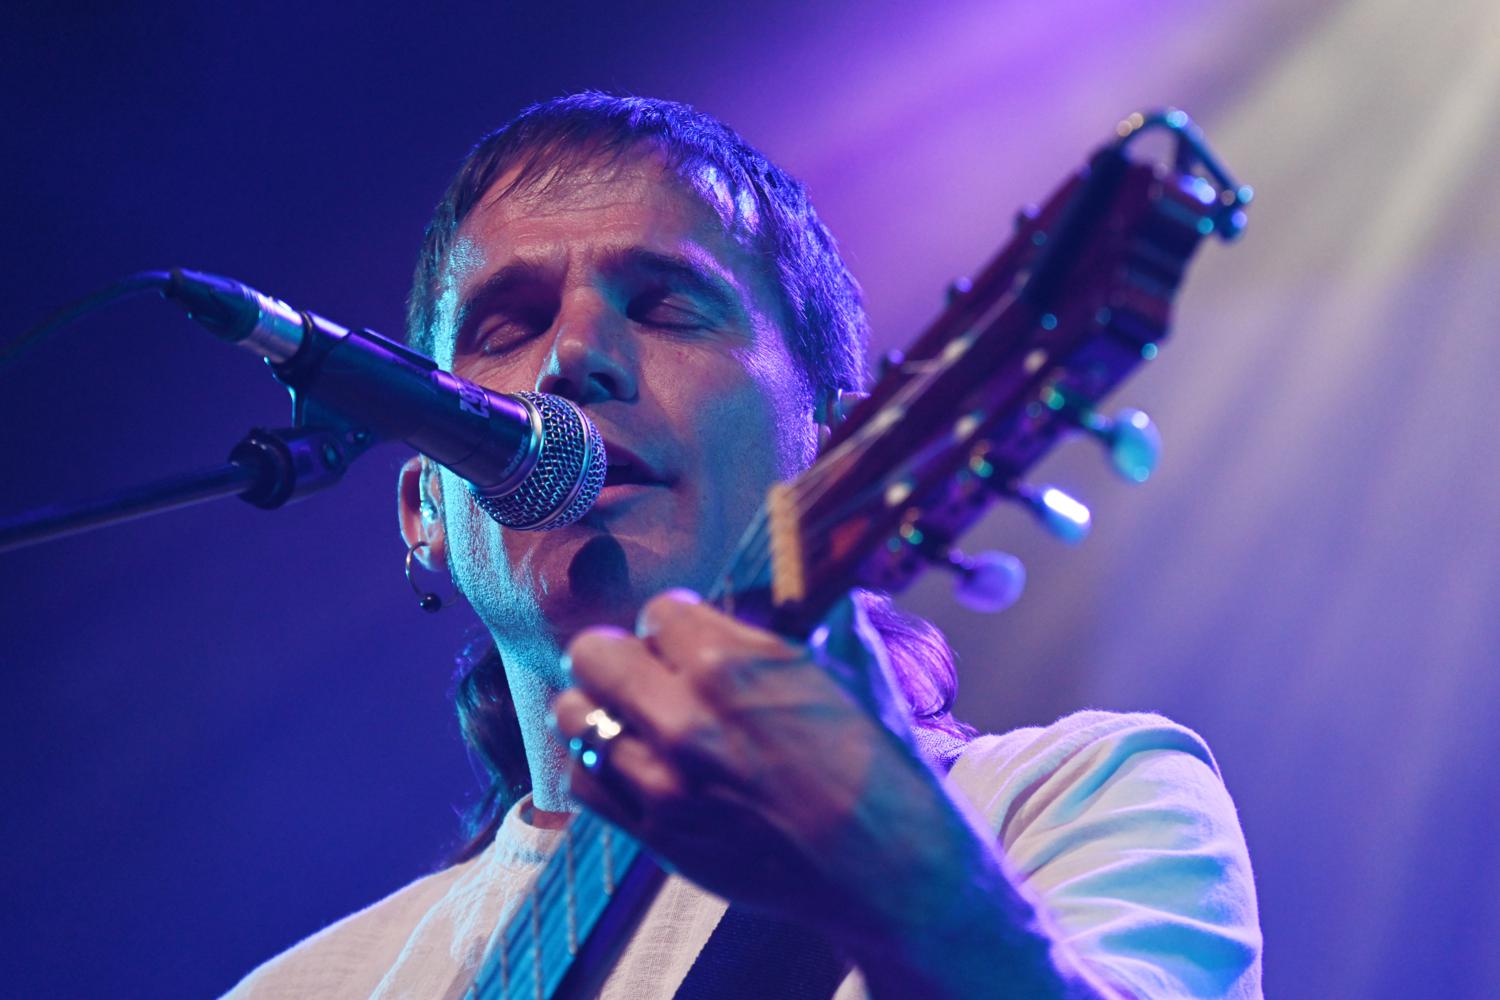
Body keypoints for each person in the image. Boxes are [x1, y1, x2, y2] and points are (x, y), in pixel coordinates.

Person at [226, 93, 1262, 999]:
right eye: (508, 325)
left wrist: (911, 892)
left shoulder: (1070, 802)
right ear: (425, 511)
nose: (574, 356)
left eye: (666, 307)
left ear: (831, 440)